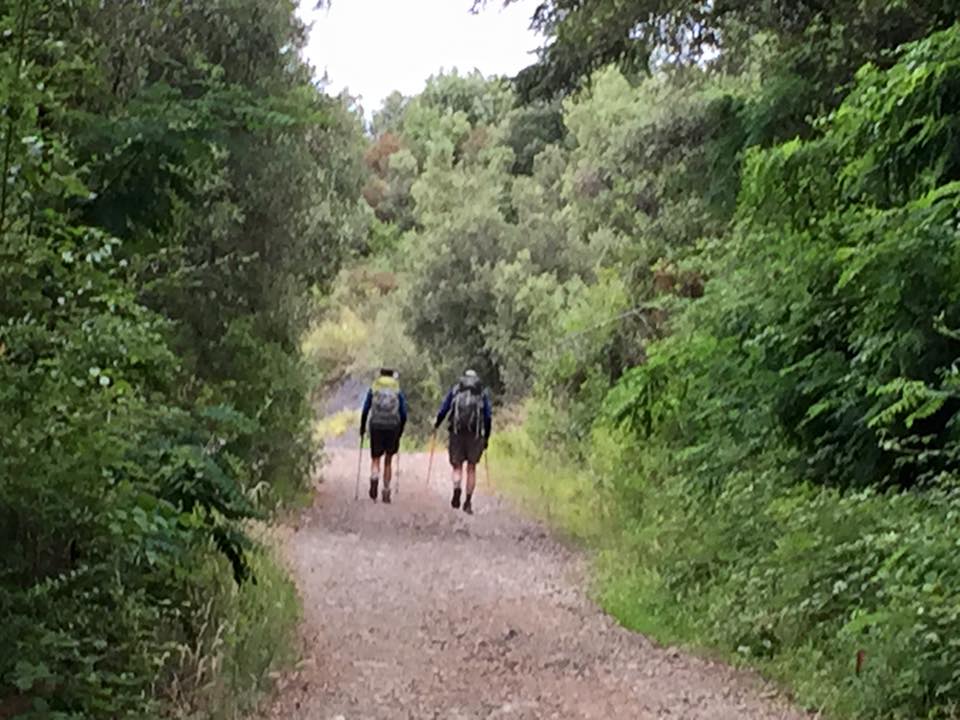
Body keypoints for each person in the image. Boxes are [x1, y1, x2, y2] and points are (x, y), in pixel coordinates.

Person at [434, 369, 492, 515]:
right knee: (471, 468)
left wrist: (437, 424)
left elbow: (444, 409)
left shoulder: (455, 390)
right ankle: (467, 501)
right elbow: (488, 417)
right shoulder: (481, 394)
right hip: (475, 434)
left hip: (456, 433)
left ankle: (456, 489)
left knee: (457, 466)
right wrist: (486, 437)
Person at [359, 368, 407, 504]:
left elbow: (365, 408)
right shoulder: (397, 389)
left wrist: (362, 427)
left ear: (380, 375)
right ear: (392, 376)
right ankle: (386, 490)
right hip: (392, 426)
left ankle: (374, 480)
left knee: (375, 458)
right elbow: (403, 413)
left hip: (376, 425)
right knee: (388, 460)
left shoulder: (374, 387)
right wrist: (400, 429)